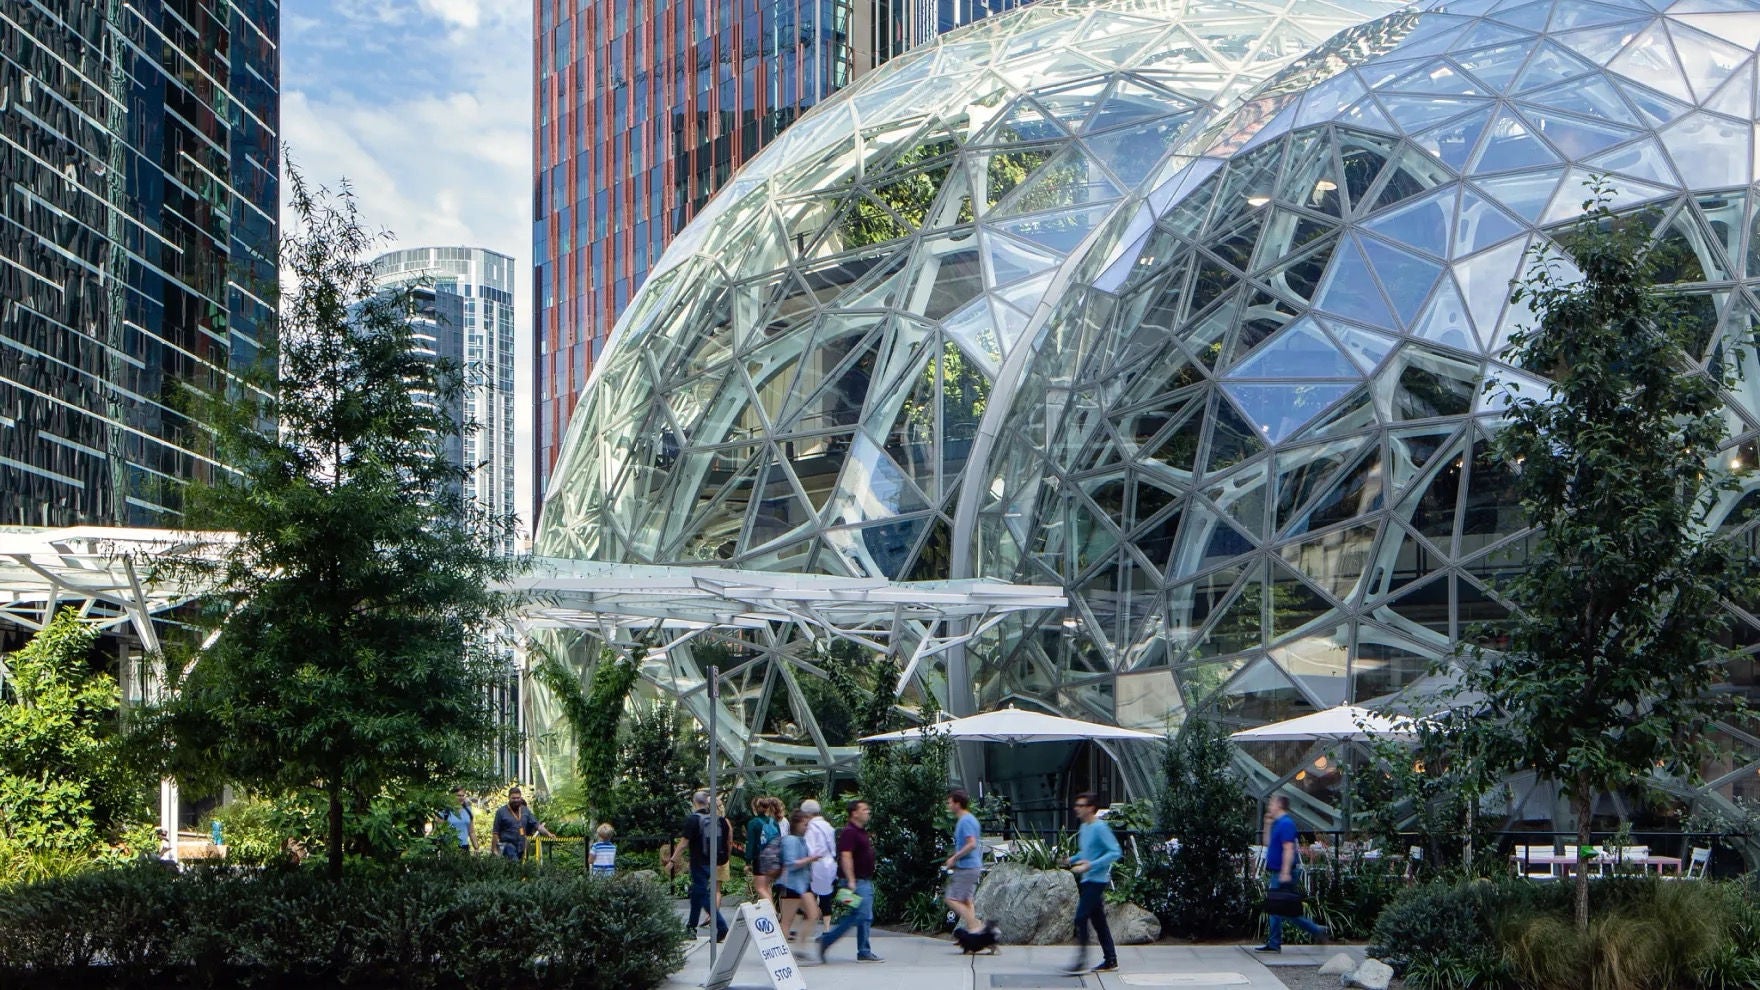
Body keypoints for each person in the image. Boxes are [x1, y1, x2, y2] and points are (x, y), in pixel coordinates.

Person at [1255, 794, 1329, 953]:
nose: (1270, 806)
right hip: (1278, 870)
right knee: (1279, 908)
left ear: (1280, 805)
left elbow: (1289, 848)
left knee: (1282, 908)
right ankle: (1275, 942)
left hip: (1283, 871)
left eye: (1272, 803)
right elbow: (1267, 843)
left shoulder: (1286, 824)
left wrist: (1285, 871)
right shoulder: (1277, 823)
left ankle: (1314, 930)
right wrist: (1267, 824)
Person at [816, 800, 881, 963]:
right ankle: (828, 939)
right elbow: (846, 855)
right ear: (855, 813)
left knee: (862, 915)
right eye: (864, 809)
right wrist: (851, 880)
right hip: (854, 883)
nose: (868, 812)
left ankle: (864, 951)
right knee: (861, 914)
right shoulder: (850, 832)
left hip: (862, 881)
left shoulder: (860, 831)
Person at [1066, 792, 1120, 974]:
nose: (1077, 808)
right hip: (1087, 879)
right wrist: (1071, 859)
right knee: (1099, 921)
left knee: (1081, 917)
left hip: (1097, 880)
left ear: (1090, 808)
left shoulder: (1100, 827)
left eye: (1081, 805)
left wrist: (1091, 865)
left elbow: (1114, 852)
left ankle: (1081, 960)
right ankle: (1110, 959)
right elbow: (1086, 853)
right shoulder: (1085, 828)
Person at [682, 790, 731, 941]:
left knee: (702, 895)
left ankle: (721, 926)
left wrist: (672, 861)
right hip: (713, 860)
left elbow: (684, 843)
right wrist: (725, 858)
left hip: (698, 862)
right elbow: (728, 840)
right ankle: (691, 927)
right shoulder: (718, 819)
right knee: (697, 895)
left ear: (694, 802)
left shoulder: (693, 819)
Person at [943, 789, 986, 935]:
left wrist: (955, 858)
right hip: (971, 865)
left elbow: (971, 843)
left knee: (951, 898)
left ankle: (976, 928)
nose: (948, 805)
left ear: (957, 803)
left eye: (950, 802)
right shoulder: (969, 819)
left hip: (967, 867)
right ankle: (974, 933)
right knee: (967, 900)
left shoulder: (966, 821)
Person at [777, 811, 822, 944]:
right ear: (796, 825)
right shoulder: (790, 840)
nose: (807, 827)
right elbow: (791, 863)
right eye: (805, 824)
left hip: (801, 885)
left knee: (813, 914)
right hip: (791, 884)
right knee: (787, 921)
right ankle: (781, 950)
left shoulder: (801, 840)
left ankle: (800, 947)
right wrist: (811, 859)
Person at [801, 798, 838, 934]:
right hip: (830, 864)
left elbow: (810, 849)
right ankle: (827, 928)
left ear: (807, 814)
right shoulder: (828, 826)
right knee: (825, 897)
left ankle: (806, 927)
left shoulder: (811, 828)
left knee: (807, 895)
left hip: (816, 866)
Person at [493, 787, 553, 861]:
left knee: (520, 867)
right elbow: (495, 832)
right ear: (509, 798)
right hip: (507, 846)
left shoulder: (525, 810)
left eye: (518, 798)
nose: (516, 800)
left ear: (520, 798)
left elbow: (537, 825)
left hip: (521, 846)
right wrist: (494, 850)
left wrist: (548, 834)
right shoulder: (501, 812)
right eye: (513, 798)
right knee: (515, 863)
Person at [745, 796, 785, 901]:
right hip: (774, 857)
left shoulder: (753, 823)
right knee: (767, 886)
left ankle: (772, 913)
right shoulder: (774, 822)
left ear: (754, 808)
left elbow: (751, 843)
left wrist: (748, 862)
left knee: (760, 888)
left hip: (760, 858)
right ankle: (769, 913)